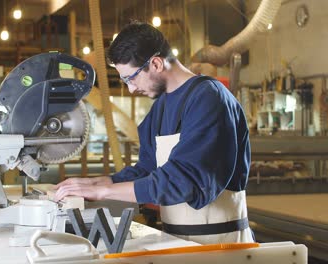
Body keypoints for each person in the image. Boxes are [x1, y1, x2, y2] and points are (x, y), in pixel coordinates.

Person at [53, 21, 254, 244]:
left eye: (131, 78)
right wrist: (101, 182)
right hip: (176, 239)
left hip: (221, 243)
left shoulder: (209, 98)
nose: (131, 89)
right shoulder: (159, 108)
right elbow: (148, 170)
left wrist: (105, 192)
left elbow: (184, 180)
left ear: (156, 63)